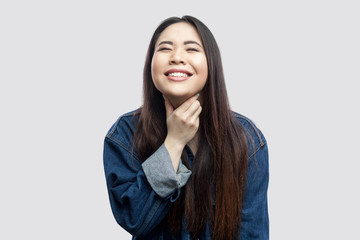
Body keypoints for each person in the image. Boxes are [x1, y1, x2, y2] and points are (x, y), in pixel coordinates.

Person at [103, 15, 269, 240]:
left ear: (211, 63)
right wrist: (174, 143)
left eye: (191, 49)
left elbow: (253, 234)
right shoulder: (124, 134)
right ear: (150, 63)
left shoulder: (246, 139)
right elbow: (134, 219)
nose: (177, 57)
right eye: (164, 49)